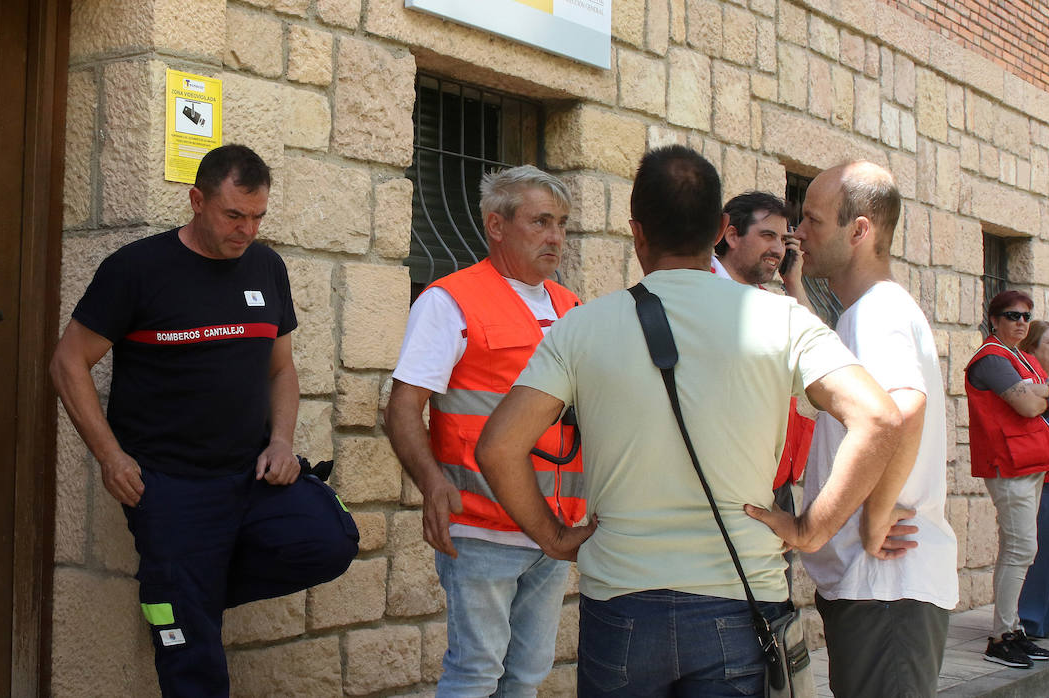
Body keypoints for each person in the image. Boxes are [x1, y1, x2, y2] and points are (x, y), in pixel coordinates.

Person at [475, 145, 902, 696]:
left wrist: (555, 538)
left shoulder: (581, 328)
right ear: (722, 228)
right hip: (742, 599)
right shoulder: (784, 320)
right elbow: (880, 419)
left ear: (636, 231)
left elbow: (497, 447)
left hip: (622, 602)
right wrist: (811, 528)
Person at [49, 144, 358, 696]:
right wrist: (110, 456)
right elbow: (68, 362)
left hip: (252, 474)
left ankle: (185, 593)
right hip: (169, 485)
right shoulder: (137, 269)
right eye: (234, 215)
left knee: (329, 538)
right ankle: (181, 601)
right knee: (196, 666)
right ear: (196, 200)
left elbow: (280, 371)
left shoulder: (267, 266)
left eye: (258, 216)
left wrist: (283, 441)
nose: (247, 230)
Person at [384, 164, 582, 697]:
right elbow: (403, 406)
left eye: (561, 223)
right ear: (496, 226)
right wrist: (431, 481)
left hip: (554, 529)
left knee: (527, 675)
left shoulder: (571, 308)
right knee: (476, 672)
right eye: (541, 222)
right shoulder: (449, 302)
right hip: (482, 525)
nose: (556, 237)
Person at [788, 161, 957, 696]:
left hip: (888, 588)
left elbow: (904, 409)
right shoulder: (865, 311)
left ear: (858, 230)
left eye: (812, 220)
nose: (798, 233)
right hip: (876, 591)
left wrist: (873, 516)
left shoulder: (878, 311)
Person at [966, 289, 1049, 667]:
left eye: (1026, 316)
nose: (1021, 322)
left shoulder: (1020, 358)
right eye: (1012, 315)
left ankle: (1012, 629)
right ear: (995, 319)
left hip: (1030, 462)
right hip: (1009, 464)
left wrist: (1040, 390)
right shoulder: (991, 358)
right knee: (1021, 548)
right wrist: (1041, 391)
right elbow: (1027, 404)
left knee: (1021, 548)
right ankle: (1000, 637)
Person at [716, 191, 817, 562]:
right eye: (768, 236)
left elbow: (816, 359)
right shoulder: (702, 295)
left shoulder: (773, 304)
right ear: (731, 235)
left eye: (783, 238)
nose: (777, 248)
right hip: (729, 486)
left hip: (775, 485)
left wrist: (794, 282)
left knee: (775, 608)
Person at [1017, 320, 1049, 639]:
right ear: (1032, 348)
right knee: (1042, 546)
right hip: (1046, 473)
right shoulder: (1026, 380)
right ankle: (1031, 619)